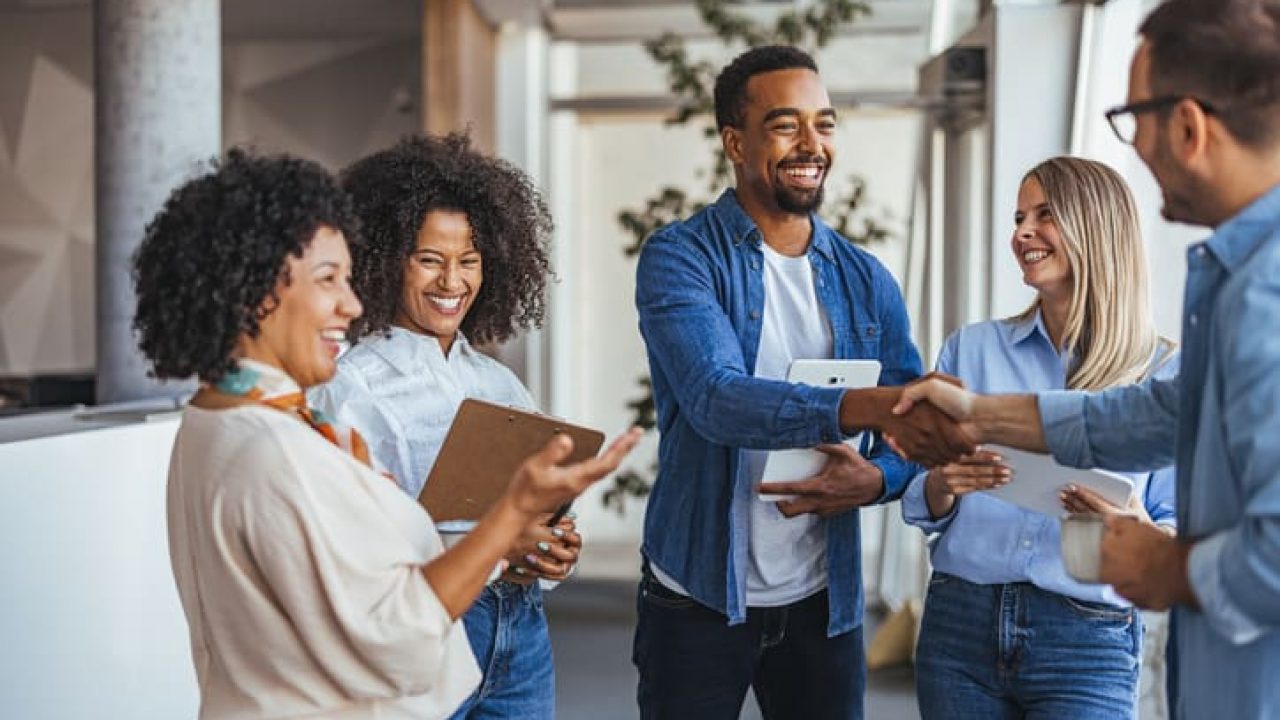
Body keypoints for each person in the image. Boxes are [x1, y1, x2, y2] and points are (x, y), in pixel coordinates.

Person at [132, 148, 641, 719]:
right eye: (329, 279)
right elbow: (395, 631)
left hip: (498, 624)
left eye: (469, 259)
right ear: (259, 290)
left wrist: (541, 537)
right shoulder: (286, 442)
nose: (350, 305)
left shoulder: (227, 418)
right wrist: (507, 523)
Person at [897, 1, 1280, 717]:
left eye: (1132, 119)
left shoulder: (1264, 290)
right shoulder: (1232, 277)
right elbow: (1152, 414)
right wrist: (979, 414)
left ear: (1190, 126)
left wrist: (1167, 564)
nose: (1132, 147)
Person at [630, 45, 971, 720]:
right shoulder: (681, 258)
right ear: (736, 140)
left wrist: (876, 480)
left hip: (822, 600)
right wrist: (865, 405)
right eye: (786, 125)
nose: (811, 144)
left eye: (825, 123)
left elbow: (906, 439)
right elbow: (716, 399)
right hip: (698, 595)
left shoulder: (865, 278)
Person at [902, 156, 1178, 718]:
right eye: (1018, 216)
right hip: (961, 623)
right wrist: (943, 485)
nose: (1022, 232)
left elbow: (1178, 521)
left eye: (1044, 214)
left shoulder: (1164, 371)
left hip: (1089, 639)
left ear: (1095, 227)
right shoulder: (970, 349)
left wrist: (1138, 531)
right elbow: (918, 490)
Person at [309, 132, 567, 720]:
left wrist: (552, 547)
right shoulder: (350, 386)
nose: (452, 282)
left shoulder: (500, 385)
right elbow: (350, 548)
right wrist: (495, 543)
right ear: (384, 260)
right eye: (429, 260)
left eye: (469, 262)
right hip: (428, 629)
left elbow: (535, 503)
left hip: (520, 632)